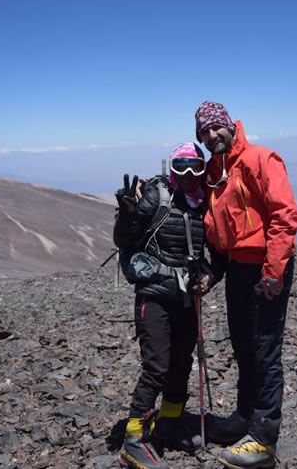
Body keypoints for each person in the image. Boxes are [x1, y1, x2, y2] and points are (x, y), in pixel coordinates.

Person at [192, 101, 297, 469]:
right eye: (204, 131)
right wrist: (214, 270)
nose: (211, 135)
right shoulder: (213, 172)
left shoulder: (260, 159)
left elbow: (284, 215)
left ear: (230, 126)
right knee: (243, 345)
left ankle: (264, 440)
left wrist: (273, 270)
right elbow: (222, 229)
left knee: (265, 351)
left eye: (216, 128)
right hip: (237, 269)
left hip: (265, 270)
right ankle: (244, 417)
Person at [113, 142, 214, 469]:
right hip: (153, 295)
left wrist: (209, 278)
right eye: (181, 165)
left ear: (202, 169)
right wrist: (128, 214)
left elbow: (216, 252)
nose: (188, 174)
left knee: (181, 363)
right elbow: (123, 241)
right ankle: (133, 439)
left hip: (186, 297)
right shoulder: (156, 197)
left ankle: (169, 421)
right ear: (171, 167)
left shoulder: (205, 204)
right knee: (156, 366)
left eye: (195, 166)